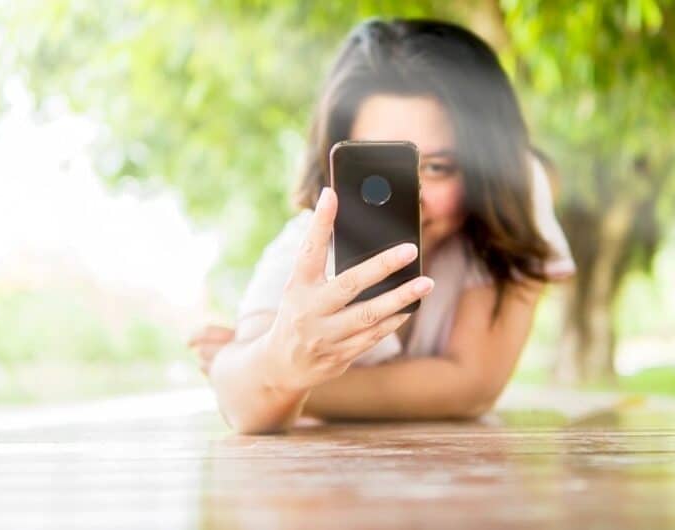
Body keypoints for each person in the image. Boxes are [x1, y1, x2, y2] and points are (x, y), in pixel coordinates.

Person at [189, 18, 576, 434]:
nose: (412, 197)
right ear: (334, 164)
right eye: (378, 167)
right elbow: (243, 408)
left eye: (438, 167)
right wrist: (265, 372)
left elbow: (473, 385)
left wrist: (282, 378)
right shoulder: (306, 249)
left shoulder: (513, 199)